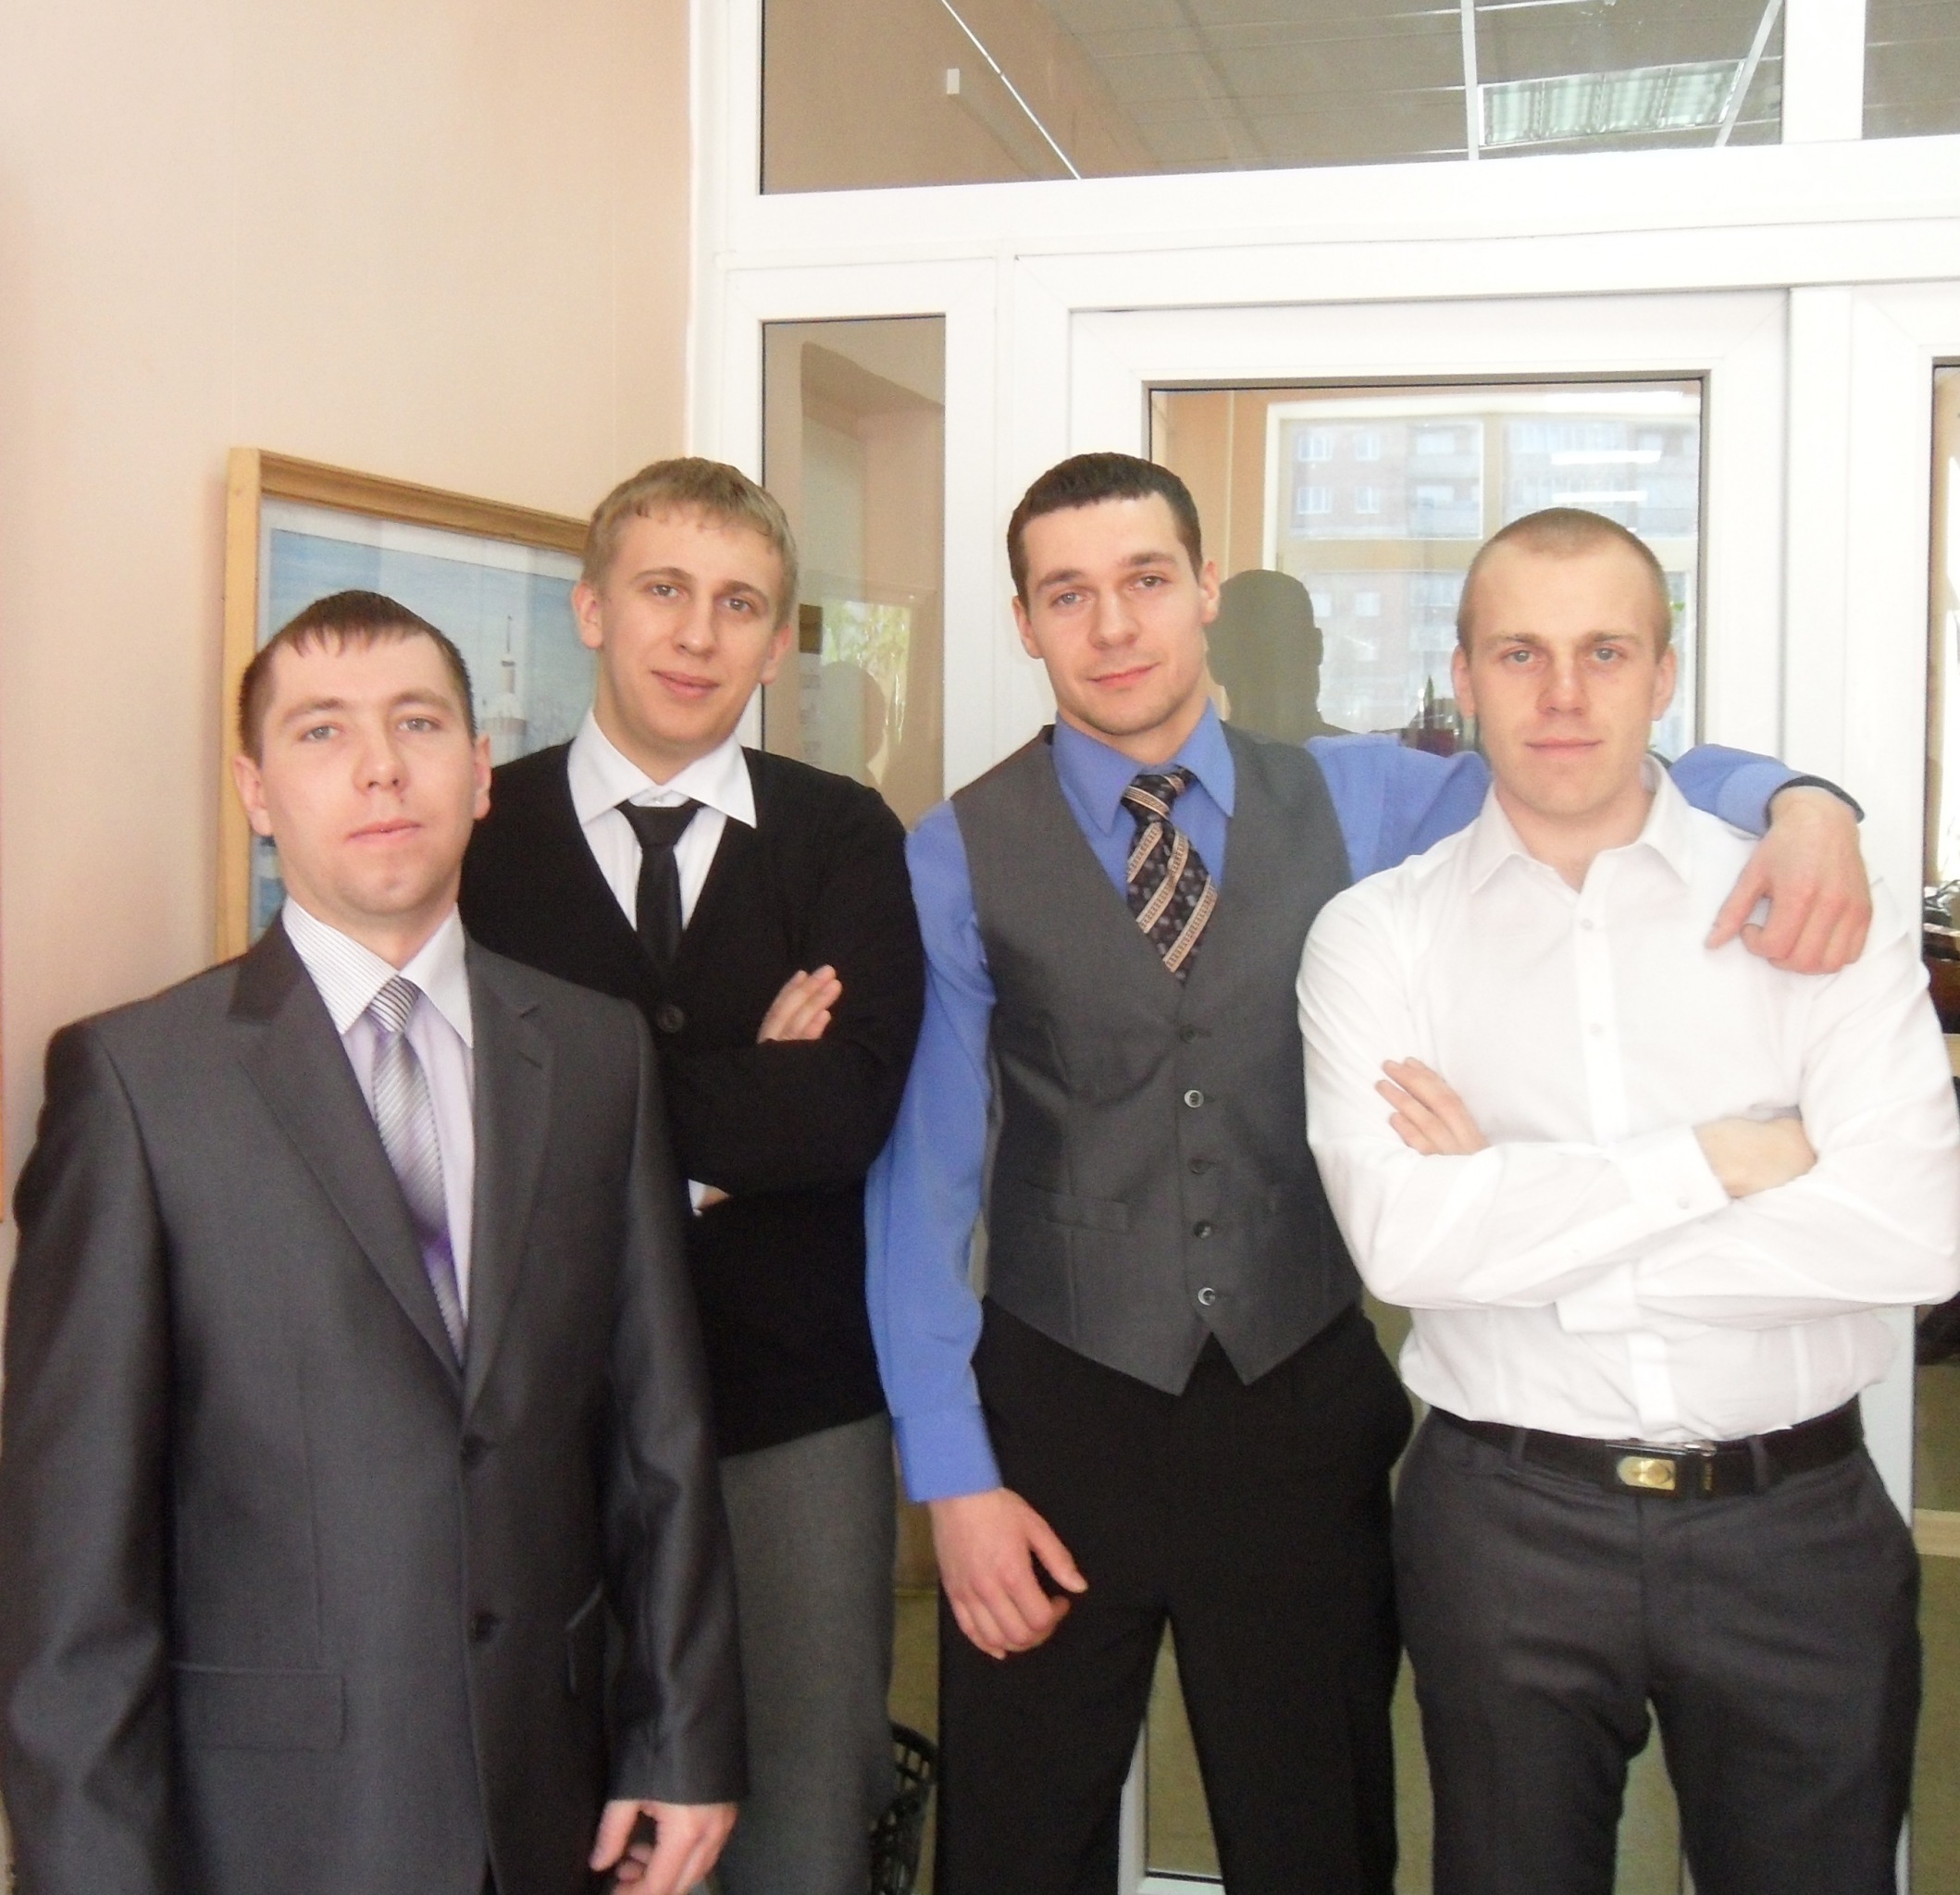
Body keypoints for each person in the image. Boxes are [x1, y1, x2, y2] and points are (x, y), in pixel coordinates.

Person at [868, 452, 1876, 1895]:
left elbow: (1592, 760)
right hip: (1053, 1419)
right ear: (1025, 622)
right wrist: (952, 1474)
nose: (1114, 625)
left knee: (1318, 1841)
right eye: (1067, 595)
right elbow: (923, 1182)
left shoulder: (1362, 798)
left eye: (1145, 580)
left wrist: (1802, 801)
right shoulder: (957, 849)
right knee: (1013, 1848)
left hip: (1296, 1407)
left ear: (1205, 590)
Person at [0, 592, 744, 1895]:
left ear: (480, 771)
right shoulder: (137, 1085)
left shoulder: (593, 1053)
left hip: (550, 1808)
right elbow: (73, 1555)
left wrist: (682, 1739)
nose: (381, 767)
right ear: (257, 791)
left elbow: (658, 1437)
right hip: (273, 1830)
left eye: (418, 723)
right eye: (321, 731)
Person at [1299, 508, 1960, 1895]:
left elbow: (1909, 1231)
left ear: (1664, 675)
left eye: (1604, 651)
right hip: (1506, 1527)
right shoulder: (1377, 936)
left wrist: (1524, 1229)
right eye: (1519, 653)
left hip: (1797, 1533)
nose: (1561, 693)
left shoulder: (1818, 915)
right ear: (1462, 678)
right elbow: (1405, 1244)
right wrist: (1720, 1158)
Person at [460, 459, 924, 1895]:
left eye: (738, 604)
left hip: (792, 1415)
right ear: (592, 607)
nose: (696, 634)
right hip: (542, 1411)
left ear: (778, 642)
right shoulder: (477, 834)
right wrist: (728, 1130)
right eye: (663, 589)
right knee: (575, 1823)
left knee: (802, 1814)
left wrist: (594, 1127)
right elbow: (462, 1115)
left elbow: (840, 1117)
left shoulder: (843, 832)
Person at [1207, 565, 1348, 741]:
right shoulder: (1366, 756)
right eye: (1254, 656)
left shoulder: (1192, 757)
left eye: (1284, 652)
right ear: (1317, 646)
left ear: (1215, 666)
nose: (1273, 671)